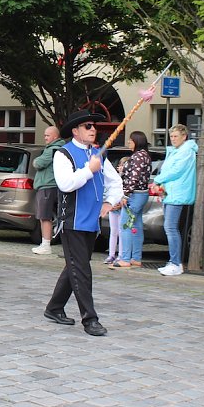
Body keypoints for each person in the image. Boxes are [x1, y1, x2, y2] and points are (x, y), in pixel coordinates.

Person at [44, 110, 122, 337]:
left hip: (92, 222)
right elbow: (66, 184)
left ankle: (54, 308)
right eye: (88, 126)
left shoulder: (99, 154)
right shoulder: (63, 154)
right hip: (72, 222)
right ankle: (90, 319)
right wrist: (89, 169)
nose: (93, 129)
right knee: (82, 270)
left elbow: (115, 182)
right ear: (75, 131)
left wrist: (110, 201)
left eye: (94, 126)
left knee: (75, 267)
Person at [152, 124, 197, 276]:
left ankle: (176, 262)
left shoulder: (186, 151)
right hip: (171, 192)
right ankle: (173, 261)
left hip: (178, 193)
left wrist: (158, 180)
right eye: (171, 136)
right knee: (170, 228)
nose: (173, 139)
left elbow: (176, 171)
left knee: (171, 228)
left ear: (184, 136)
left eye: (176, 136)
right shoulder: (176, 151)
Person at [112, 132, 152, 269]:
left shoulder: (138, 156)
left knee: (125, 225)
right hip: (141, 194)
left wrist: (125, 195)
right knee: (136, 225)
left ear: (137, 141)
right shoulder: (144, 155)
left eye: (130, 140)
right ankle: (136, 257)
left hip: (134, 195)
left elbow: (134, 178)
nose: (128, 143)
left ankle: (125, 258)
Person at [32, 126, 65, 255]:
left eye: (47, 135)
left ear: (55, 137)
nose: (45, 138)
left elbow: (38, 163)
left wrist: (36, 160)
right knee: (53, 216)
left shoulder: (51, 150)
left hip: (47, 185)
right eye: (45, 135)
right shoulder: (60, 148)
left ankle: (45, 244)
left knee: (44, 216)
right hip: (54, 186)